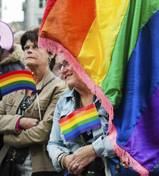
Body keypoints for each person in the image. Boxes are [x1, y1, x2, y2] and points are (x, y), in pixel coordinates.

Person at [0, 29, 66, 176]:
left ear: (50, 54)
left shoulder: (58, 87)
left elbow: (42, 132)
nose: (29, 51)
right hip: (6, 163)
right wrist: (20, 122)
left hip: (37, 167)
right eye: (26, 48)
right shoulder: (17, 84)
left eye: (35, 47)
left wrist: (6, 137)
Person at [47, 54, 115, 176]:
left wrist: (93, 150)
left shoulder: (110, 92)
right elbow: (54, 144)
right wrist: (65, 160)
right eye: (60, 66)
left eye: (67, 63)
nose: (63, 70)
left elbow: (129, 134)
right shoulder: (63, 102)